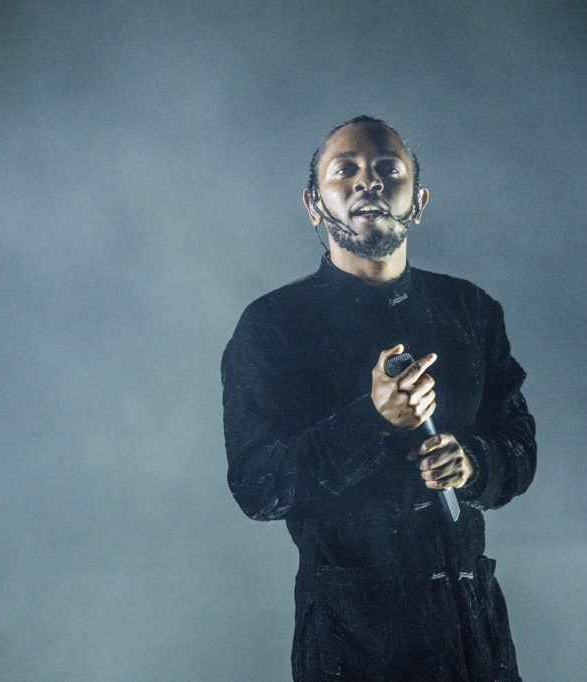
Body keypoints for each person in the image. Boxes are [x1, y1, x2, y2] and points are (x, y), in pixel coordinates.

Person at [221, 115, 536, 681]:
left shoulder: (470, 312)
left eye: (388, 169)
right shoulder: (272, 327)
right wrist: (373, 420)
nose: (368, 181)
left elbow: (519, 448)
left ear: (419, 202)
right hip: (355, 644)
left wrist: (473, 463)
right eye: (345, 170)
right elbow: (258, 487)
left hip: (475, 642)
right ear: (314, 204)